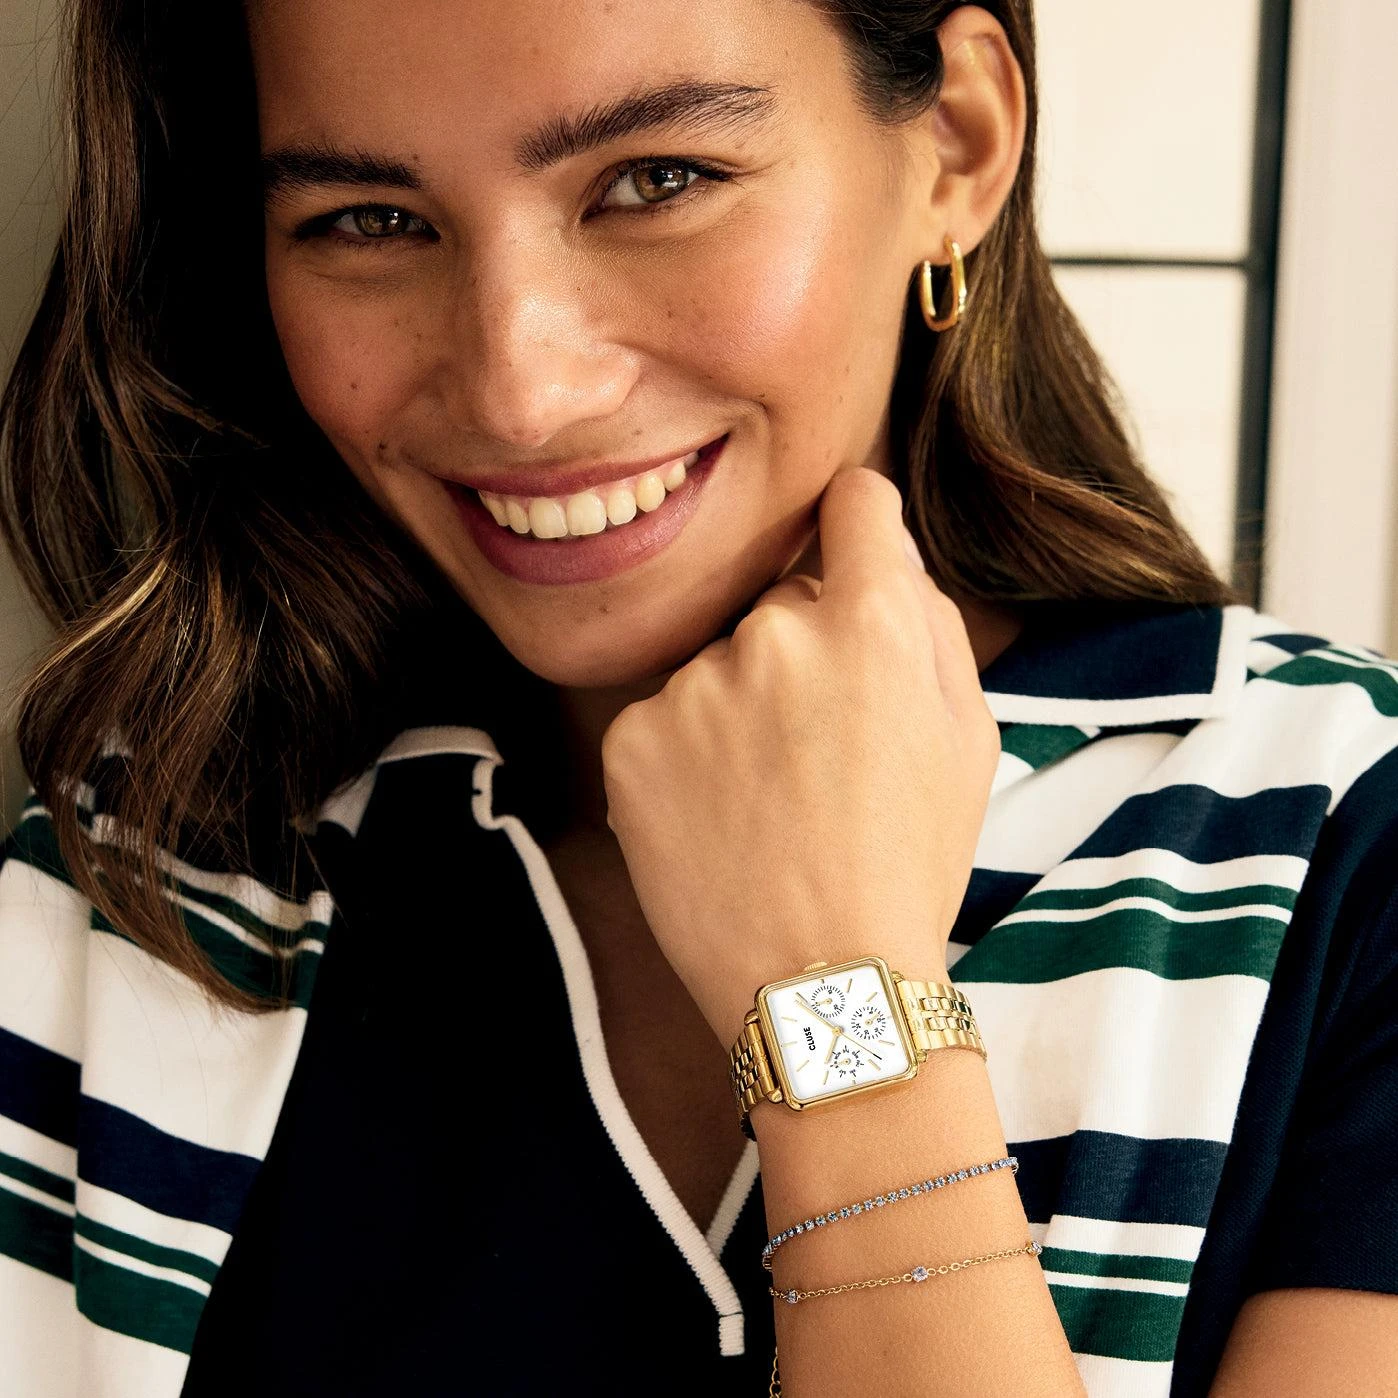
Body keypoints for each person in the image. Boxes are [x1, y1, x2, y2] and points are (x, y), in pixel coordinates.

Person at [0, 0, 1395, 1393]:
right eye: (370, 220)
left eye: (655, 181)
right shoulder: (144, 872)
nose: (522, 389)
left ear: (956, 145)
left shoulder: (1347, 863)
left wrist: (840, 1007)